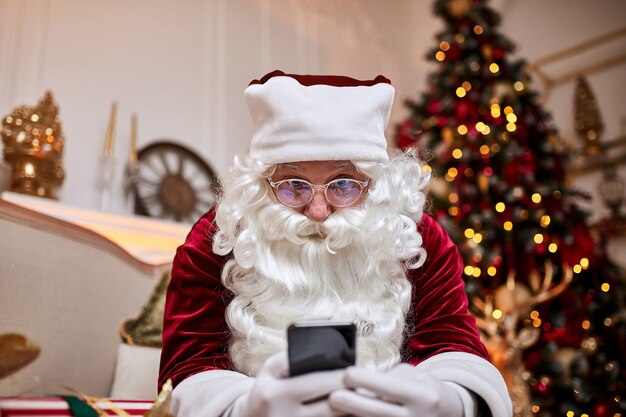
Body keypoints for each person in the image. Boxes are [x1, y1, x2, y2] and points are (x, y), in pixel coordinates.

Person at [159, 70, 512, 417]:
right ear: (262, 185)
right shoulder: (219, 236)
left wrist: (455, 401)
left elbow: (452, 342)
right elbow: (188, 366)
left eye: (343, 184)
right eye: (293, 184)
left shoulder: (415, 236)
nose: (317, 211)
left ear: (375, 185)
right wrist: (242, 408)